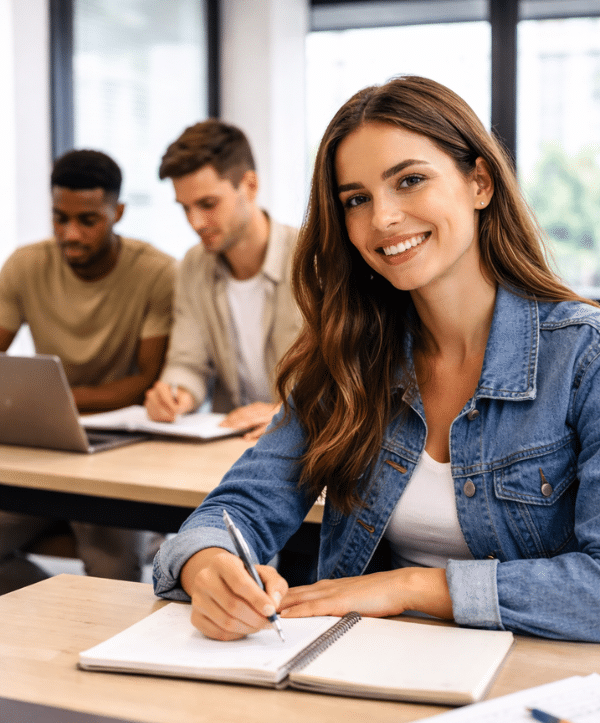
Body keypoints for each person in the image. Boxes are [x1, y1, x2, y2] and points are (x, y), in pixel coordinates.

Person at [153, 76, 600, 644]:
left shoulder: (584, 356)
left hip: (529, 677)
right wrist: (206, 564)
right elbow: (241, 505)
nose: (382, 219)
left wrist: (408, 587)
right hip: (361, 663)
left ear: (480, 182)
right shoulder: (346, 354)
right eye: (356, 199)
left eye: (409, 180)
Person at [0, 149, 175, 591]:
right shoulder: (25, 265)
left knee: (113, 575)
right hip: (43, 444)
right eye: (59, 218)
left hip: (118, 450)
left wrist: (58, 399)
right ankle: (47, 605)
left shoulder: (156, 272)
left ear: (117, 212)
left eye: (87, 221)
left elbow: (147, 383)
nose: (69, 233)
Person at [144, 119, 301, 440]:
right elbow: (188, 362)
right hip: (231, 442)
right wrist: (176, 393)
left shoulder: (314, 259)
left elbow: (353, 377)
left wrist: (290, 413)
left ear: (250, 186)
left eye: (208, 204)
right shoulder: (193, 265)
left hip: (306, 444)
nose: (196, 222)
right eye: (185, 208)